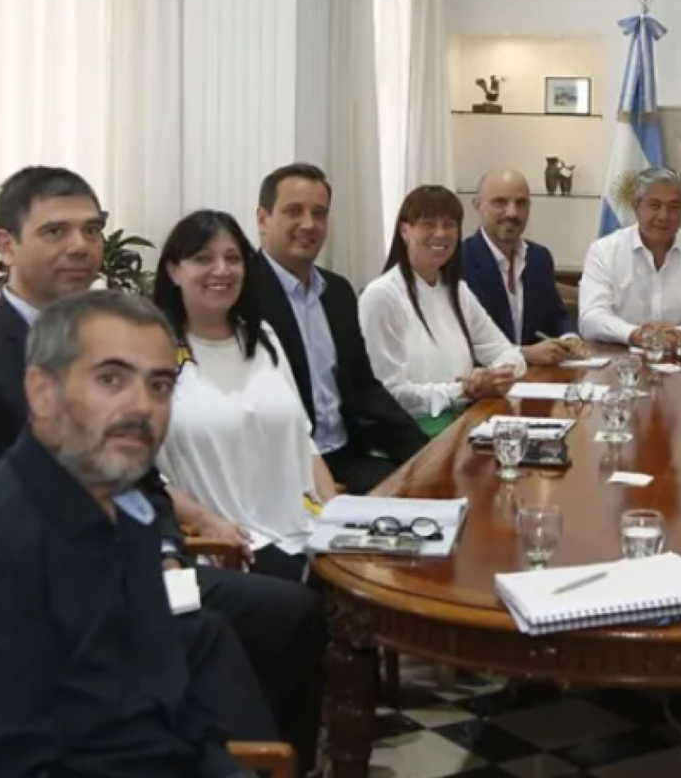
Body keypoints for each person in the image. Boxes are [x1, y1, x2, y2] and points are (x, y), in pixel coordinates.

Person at [0, 291, 484, 778]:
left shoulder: (124, 519)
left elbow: (166, 696)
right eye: (111, 379)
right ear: (41, 391)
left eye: (160, 385)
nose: (143, 407)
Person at [0, 167, 326, 771]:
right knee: (206, 638)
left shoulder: (115, 344)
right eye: (55, 230)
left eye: (91, 229)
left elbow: (142, 478)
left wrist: (163, 547)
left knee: (290, 613)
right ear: (6, 245)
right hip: (52, 595)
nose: (80, 246)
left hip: (141, 566)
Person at [151, 209, 339, 586]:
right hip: (232, 545)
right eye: (203, 258)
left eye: (233, 258)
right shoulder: (152, 353)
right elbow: (143, 477)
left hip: (307, 529)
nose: (222, 270)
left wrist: (338, 512)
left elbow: (304, 440)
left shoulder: (263, 337)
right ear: (173, 271)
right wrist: (206, 522)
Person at [250, 163, 429, 492]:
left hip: (346, 455)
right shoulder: (241, 293)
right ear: (263, 220)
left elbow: (364, 389)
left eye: (319, 213)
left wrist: (427, 453)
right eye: (294, 211)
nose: (309, 224)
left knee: (430, 497)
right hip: (277, 466)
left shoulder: (337, 292)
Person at [358, 185, 527, 435]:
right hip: (407, 437)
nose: (441, 233)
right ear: (405, 231)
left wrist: (493, 376)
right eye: (428, 224)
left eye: (449, 225)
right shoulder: (382, 296)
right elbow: (387, 393)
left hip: (464, 425)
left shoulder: (458, 291)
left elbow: (509, 353)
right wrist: (460, 390)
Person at [576, 166, 681, 348]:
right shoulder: (603, 251)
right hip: (621, 362)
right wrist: (635, 334)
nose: (664, 216)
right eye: (654, 205)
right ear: (635, 205)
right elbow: (591, 318)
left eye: (673, 207)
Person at [461, 168, 586, 365]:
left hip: (535, 381)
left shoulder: (539, 258)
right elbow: (460, 343)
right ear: (478, 206)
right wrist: (524, 354)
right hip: (482, 384)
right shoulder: (458, 261)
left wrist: (569, 337)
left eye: (520, 203)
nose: (512, 212)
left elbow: (556, 316)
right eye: (500, 202)